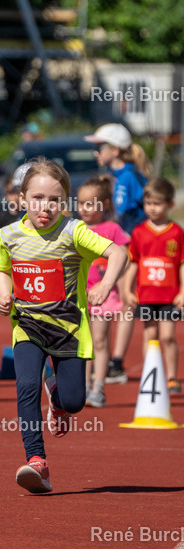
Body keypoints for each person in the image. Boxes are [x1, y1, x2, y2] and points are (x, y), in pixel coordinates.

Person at [0, 159, 127, 494]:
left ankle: (57, 396)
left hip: (68, 330)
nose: (46, 206)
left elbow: (118, 254)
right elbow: (3, 269)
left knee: (75, 402)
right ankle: (37, 460)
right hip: (27, 327)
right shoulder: (8, 235)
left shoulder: (74, 232)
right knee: (25, 386)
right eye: (38, 198)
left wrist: (105, 285)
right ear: (22, 198)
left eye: (55, 200)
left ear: (65, 203)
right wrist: (4, 294)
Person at [86, 123, 151, 384]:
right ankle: (103, 359)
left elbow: (130, 213)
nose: (96, 153)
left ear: (114, 150)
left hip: (129, 247)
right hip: (115, 246)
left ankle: (116, 363)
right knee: (106, 302)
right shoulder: (113, 177)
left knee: (125, 301)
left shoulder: (128, 176)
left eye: (99, 147)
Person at [124, 178, 184, 394]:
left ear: (169, 204)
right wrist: (127, 290)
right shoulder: (139, 232)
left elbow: (181, 265)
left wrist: (183, 292)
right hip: (146, 295)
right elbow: (133, 263)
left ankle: (171, 377)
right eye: (148, 203)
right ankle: (151, 376)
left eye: (157, 203)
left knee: (168, 336)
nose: (152, 208)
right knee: (150, 337)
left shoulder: (176, 232)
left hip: (169, 296)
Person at [76, 176, 130, 408]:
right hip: (79, 295)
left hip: (104, 295)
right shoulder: (74, 229)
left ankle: (98, 387)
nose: (84, 209)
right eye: (80, 203)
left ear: (104, 204)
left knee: (99, 340)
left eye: (90, 203)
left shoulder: (112, 229)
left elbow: (125, 260)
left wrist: (111, 283)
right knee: (81, 342)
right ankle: (83, 385)